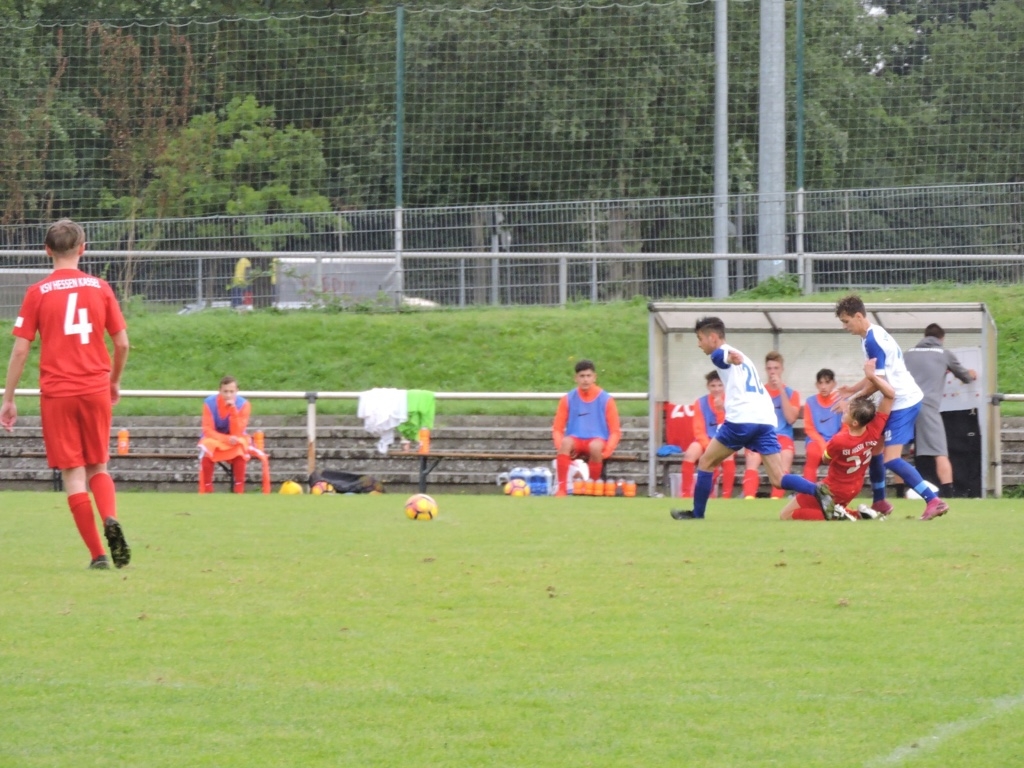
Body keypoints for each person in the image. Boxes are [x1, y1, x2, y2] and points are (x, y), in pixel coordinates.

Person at [0, 219, 131, 569]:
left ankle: (98, 555)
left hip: (58, 393)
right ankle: (110, 518)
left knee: (73, 473)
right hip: (94, 387)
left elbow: (20, 351)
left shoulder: (37, 293)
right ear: (83, 248)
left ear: (47, 251)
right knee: (98, 464)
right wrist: (114, 380)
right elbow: (122, 343)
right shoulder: (100, 287)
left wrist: (8, 398)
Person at [670, 317, 831, 520]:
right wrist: (732, 359)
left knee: (705, 463)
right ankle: (819, 491)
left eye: (700, 338)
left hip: (741, 420)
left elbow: (722, 357)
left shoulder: (721, 353)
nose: (698, 343)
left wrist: (729, 359)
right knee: (778, 478)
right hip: (764, 420)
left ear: (712, 337)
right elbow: (729, 359)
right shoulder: (744, 357)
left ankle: (697, 514)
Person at [834, 294, 949, 520]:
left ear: (858, 316)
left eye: (846, 321)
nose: (845, 327)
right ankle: (880, 501)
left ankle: (933, 500)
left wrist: (852, 400)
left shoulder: (872, 340)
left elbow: (878, 384)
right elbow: (875, 377)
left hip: (902, 401)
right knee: (874, 448)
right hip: (895, 398)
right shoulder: (873, 334)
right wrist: (853, 389)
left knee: (891, 459)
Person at [781, 358, 894, 520]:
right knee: (807, 506)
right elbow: (890, 395)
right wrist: (872, 377)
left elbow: (825, 459)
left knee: (787, 515)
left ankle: (836, 514)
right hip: (854, 488)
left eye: (848, 411)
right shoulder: (874, 429)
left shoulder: (839, 440)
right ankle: (859, 514)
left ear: (854, 422)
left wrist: (870, 377)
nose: (844, 411)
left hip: (832, 488)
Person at [903, 323, 978, 498]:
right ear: (941, 339)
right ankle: (948, 492)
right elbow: (966, 377)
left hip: (905, 407)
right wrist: (971, 374)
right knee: (940, 452)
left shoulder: (907, 354)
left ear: (924, 336)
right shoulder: (944, 354)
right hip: (928, 406)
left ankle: (900, 493)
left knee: (900, 453)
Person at [552, 359, 621, 496]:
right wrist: (560, 446)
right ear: (576, 378)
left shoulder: (606, 399)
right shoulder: (567, 399)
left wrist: (607, 451)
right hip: (575, 440)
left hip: (597, 440)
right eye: (582, 376)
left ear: (594, 377)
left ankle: (592, 487)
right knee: (565, 443)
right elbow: (557, 429)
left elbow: (615, 431)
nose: (585, 380)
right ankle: (561, 489)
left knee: (595, 447)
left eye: (588, 376)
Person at [742, 351, 800, 499]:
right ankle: (749, 498)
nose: (772, 372)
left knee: (784, 458)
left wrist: (780, 389)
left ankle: (776, 498)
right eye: (769, 369)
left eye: (776, 368)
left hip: (783, 437)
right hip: (762, 434)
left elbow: (791, 419)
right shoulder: (759, 391)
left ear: (782, 370)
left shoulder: (792, 393)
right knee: (752, 458)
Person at [198, 375, 266, 493]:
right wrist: (226, 439)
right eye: (225, 392)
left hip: (236, 437)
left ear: (237, 391)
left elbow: (238, 431)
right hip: (215, 438)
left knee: (240, 447)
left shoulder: (244, 404)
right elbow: (207, 429)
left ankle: (239, 488)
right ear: (219, 391)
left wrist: (233, 410)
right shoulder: (208, 403)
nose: (228, 395)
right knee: (207, 447)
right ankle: (207, 488)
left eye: (231, 392)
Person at [680, 371, 735, 499]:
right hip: (705, 439)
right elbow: (698, 429)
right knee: (690, 453)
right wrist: (708, 446)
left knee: (729, 456)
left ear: (725, 386)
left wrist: (722, 410)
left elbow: (730, 426)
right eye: (713, 386)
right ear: (708, 387)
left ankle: (726, 495)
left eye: (719, 385)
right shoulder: (700, 402)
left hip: (725, 440)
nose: (716, 389)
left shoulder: (731, 402)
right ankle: (686, 493)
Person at [801, 368, 844, 482]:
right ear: (816, 385)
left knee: (840, 458)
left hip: (836, 441)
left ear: (834, 384)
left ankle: (836, 492)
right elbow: (809, 428)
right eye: (820, 383)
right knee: (812, 454)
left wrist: (832, 443)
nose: (823, 386)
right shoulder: (810, 402)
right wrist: (822, 444)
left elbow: (845, 428)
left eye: (827, 382)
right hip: (816, 441)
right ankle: (807, 492)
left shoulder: (841, 402)